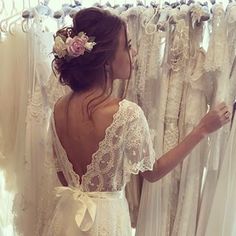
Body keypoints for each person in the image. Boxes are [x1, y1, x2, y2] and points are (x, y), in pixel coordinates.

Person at [43, 7, 231, 236]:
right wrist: (202, 129)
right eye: (128, 46)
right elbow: (153, 172)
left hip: (66, 219)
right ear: (106, 61)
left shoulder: (59, 109)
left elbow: (62, 173)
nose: (134, 52)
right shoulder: (126, 113)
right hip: (107, 221)